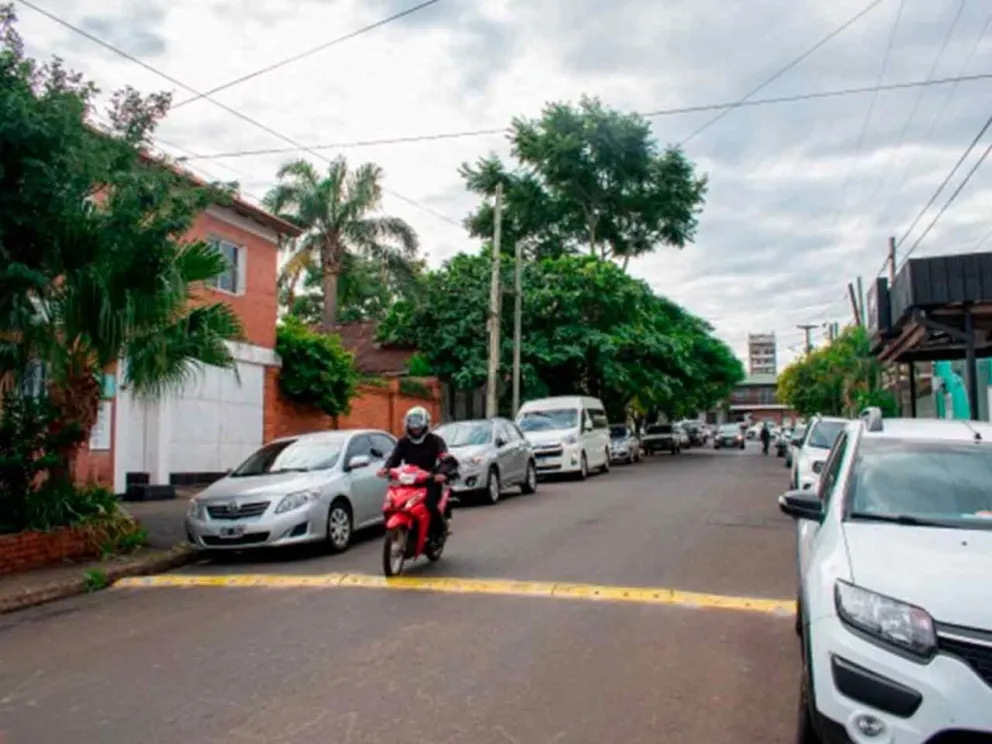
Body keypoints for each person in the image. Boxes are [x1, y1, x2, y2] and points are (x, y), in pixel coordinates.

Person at [377, 406, 452, 538]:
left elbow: (445, 458)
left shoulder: (435, 441)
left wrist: (441, 473)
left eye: (419, 425)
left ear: (425, 424)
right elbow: (394, 458)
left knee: (429, 505)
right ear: (407, 425)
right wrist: (386, 469)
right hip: (409, 480)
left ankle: (439, 531)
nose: (415, 428)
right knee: (393, 503)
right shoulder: (403, 442)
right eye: (412, 425)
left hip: (430, 480)